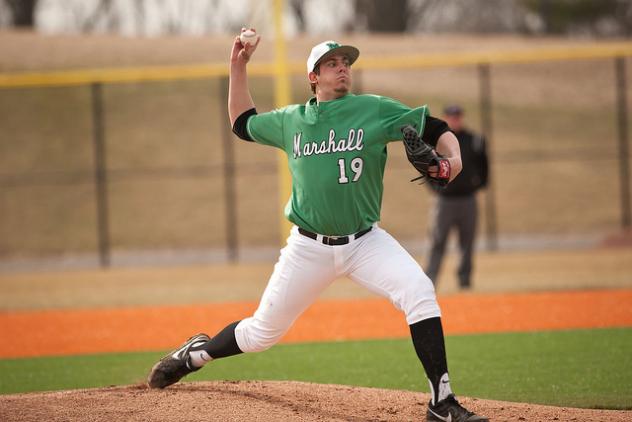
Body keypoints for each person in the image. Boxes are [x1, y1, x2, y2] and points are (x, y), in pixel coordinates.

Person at [147, 33, 488, 422]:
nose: (343, 68)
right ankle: (196, 354)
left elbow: (435, 127)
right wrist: (238, 65)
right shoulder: (293, 120)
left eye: (346, 63)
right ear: (314, 76)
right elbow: (243, 124)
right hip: (308, 248)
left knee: (420, 291)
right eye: (333, 63)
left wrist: (453, 159)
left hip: (365, 242)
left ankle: (441, 403)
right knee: (261, 334)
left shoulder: (373, 109)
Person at [425, 105, 489, 290]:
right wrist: (436, 188)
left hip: (468, 199)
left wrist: (479, 184)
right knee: (437, 241)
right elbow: (427, 167)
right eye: (451, 117)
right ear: (445, 118)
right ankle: (429, 281)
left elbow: (484, 166)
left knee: (467, 242)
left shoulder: (473, 140)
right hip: (444, 201)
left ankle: (464, 281)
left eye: (458, 116)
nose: (455, 119)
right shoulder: (438, 142)